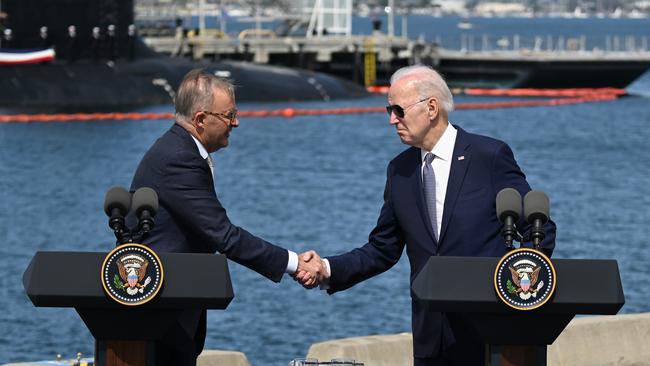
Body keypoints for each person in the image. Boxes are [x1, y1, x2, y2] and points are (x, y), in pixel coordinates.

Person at [296, 65, 556, 365]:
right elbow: (383, 249)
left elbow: (540, 231)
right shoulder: (400, 171)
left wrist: (519, 292)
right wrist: (327, 269)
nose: (392, 119)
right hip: (432, 338)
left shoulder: (489, 157)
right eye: (388, 110)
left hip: (492, 335)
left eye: (398, 110)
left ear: (431, 107)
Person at [130, 69, 324, 366]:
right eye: (229, 115)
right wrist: (296, 263)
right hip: (162, 312)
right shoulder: (178, 158)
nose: (236, 123)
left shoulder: (180, 150)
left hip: (173, 308)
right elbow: (223, 235)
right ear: (200, 120)